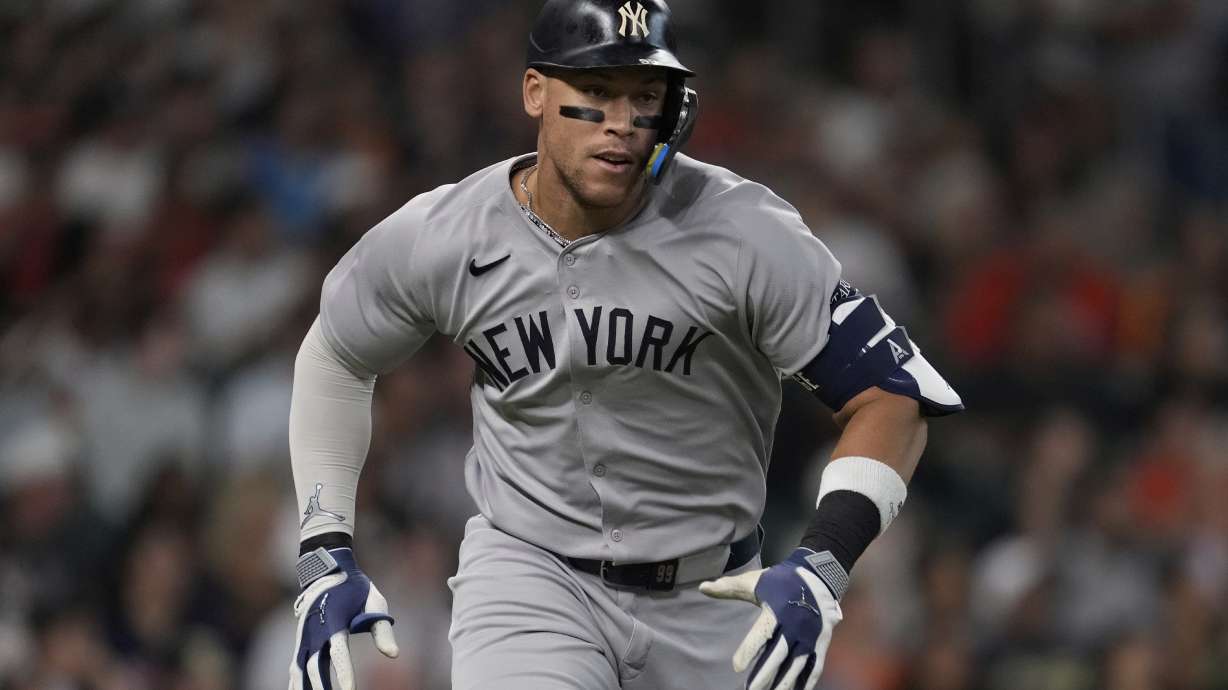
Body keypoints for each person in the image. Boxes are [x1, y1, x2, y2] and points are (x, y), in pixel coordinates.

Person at [287, 1, 964, 688]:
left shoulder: (745, 233)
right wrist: (323, 545)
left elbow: (891, 395)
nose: (621, 123)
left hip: (713, 594)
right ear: (535, 92)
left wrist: (824, 561)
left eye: (644, 96)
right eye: (596, 91)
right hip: (531, 580)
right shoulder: (447, 233)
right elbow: (337, 355)